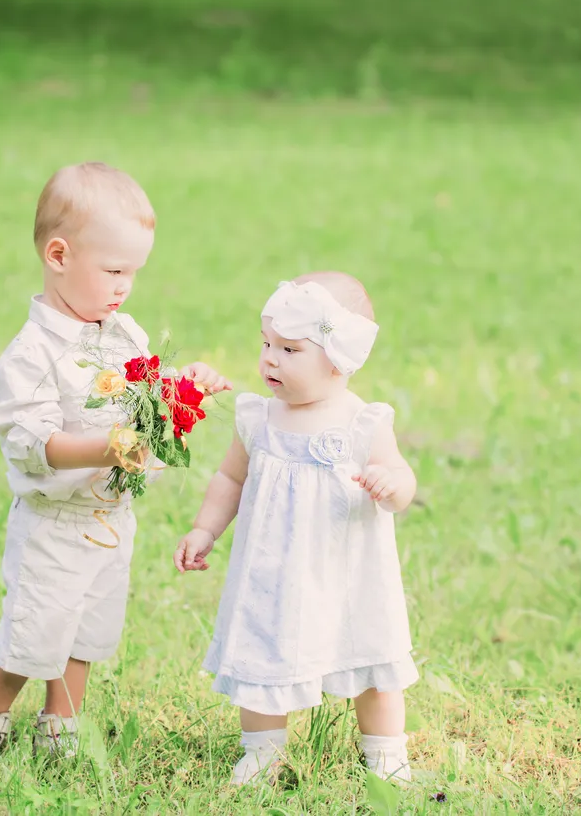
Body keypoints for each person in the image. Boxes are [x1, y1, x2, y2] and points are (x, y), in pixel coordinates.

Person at [0, 162, 231, 769]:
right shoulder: (33, 353)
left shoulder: (122, 332)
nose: (125, 285)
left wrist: (186, 389)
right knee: (35, 629)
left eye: (134, 271)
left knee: (87, 629)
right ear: (58, 254)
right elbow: (32, 441)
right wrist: (106, 445)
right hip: (57, 521)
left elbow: (149, 399)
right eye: (114, 269)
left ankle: (62, 722)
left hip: (112, 517)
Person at [175, 272, 418, 785]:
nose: (269, 358)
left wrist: (389, 484)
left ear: (338, 360)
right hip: (274, 570)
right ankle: (263, 750)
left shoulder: (361, 423)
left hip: (346, 572)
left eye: (289, 348)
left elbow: (403, 479)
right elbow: (229, 477)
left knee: (369, 653)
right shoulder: (260, 419)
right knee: (263, 650)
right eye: (266, 343)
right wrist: (204, 530)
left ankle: (385, 751)